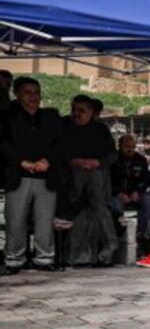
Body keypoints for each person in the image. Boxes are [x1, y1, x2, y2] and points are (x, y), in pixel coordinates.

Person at [2, 77, 62, 271]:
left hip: (45, 176)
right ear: (17, 94)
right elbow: (3, 144)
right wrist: (22, 162)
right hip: (18, 175)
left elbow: (59, 144)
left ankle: (45, 259)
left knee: (45, 221)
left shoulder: (51, 117)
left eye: (36, 92)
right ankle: (14, 259)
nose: (33, 97)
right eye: (27, 92)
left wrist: (47, 161)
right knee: (15, 220)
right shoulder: (7, 117)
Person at [60, 96, 119, 267]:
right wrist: (74, 162)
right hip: (73, 177)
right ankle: (78, 255)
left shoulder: (101, 129)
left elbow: (112, 155)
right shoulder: (65, 127)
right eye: (74, 110)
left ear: (92, 112)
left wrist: (97, 163)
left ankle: (108, 253)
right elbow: (58, 152)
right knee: (77, 214)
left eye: (81, 110)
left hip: (97, 176)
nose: (76, 114)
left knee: (101, 213)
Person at [110, 134, 150, 242]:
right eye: (127, 147)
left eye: (133, 147)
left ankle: (140, 234)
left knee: (147, 202)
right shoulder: (112, 160)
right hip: (116, 194)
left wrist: (137, 191)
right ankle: (119, 236)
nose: (131, 150)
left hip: (135, 193)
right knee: (115, 206)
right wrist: (118, 193)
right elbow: (107, 182)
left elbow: (146, 180)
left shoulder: (141, 160)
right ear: (120, 146)